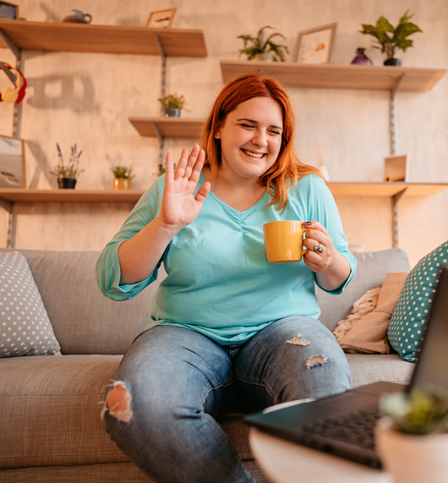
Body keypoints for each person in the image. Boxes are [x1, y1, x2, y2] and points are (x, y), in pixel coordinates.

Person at [96, 73, 357, 483]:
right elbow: (112, 279)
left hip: (283, 333)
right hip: (185, 334)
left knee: (326, 394)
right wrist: (166, 224)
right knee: (133, 405)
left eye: (274, 131)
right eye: (248, 125)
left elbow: (340, 277)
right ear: (218, 126)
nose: (261, 140)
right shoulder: (176, 187)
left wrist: (328, 261)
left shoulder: (306, 188)